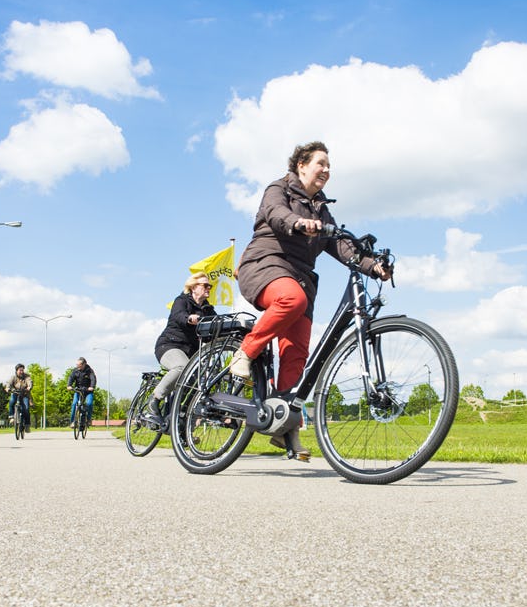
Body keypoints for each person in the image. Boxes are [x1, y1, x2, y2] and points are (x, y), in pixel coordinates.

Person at [230, 141, 392, 459]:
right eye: (321, 163)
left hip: (302, 282)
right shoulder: (279, 189)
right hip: (265, 265)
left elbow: (341, 247)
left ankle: (284, 430)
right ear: (302, 164)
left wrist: (373, 266)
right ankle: (244, 353)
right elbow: (276, 215)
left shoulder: (321, 207)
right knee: (292, 299)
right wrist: (298, 222)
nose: (327, 171)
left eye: (329, 166)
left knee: (297, 355)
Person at [146, 272, 217, 428]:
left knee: (198, 384)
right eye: (205, 285)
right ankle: (154, 400)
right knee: (182, 367)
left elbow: (217, 324)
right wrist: (190, 318)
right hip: (169, 346)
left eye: (209, 286)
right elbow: (179, 316)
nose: (208, 288)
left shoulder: (208, 309)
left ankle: (181, 425)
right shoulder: (181, 301)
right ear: (193, 287)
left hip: (190, 354)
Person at [67, 357, 97, 428]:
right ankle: (73, 422)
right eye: (77, 365)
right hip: (78, 390)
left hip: (88, 391)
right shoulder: (75, 370)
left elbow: (93, 379)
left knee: (89, 403)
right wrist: (69, 385)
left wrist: (92, 386)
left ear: (84, 364)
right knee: (74, 404)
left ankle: (89, 419)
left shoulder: (89, 371)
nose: (77, 366)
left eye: (79, 365)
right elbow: (71, 377)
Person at [5, 363, 33, 431]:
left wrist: (29, 386)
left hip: (24, 394)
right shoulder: (13, 377)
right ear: (16, 371)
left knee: (26, 408)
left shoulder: (26, 376)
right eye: (20, 370)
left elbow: (29, 381)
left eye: (22, 370)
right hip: (15, 393)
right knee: (11, 401)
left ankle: (27, 425)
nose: (21, 371)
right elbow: (8, 383)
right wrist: (8, 388)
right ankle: (11, 417)